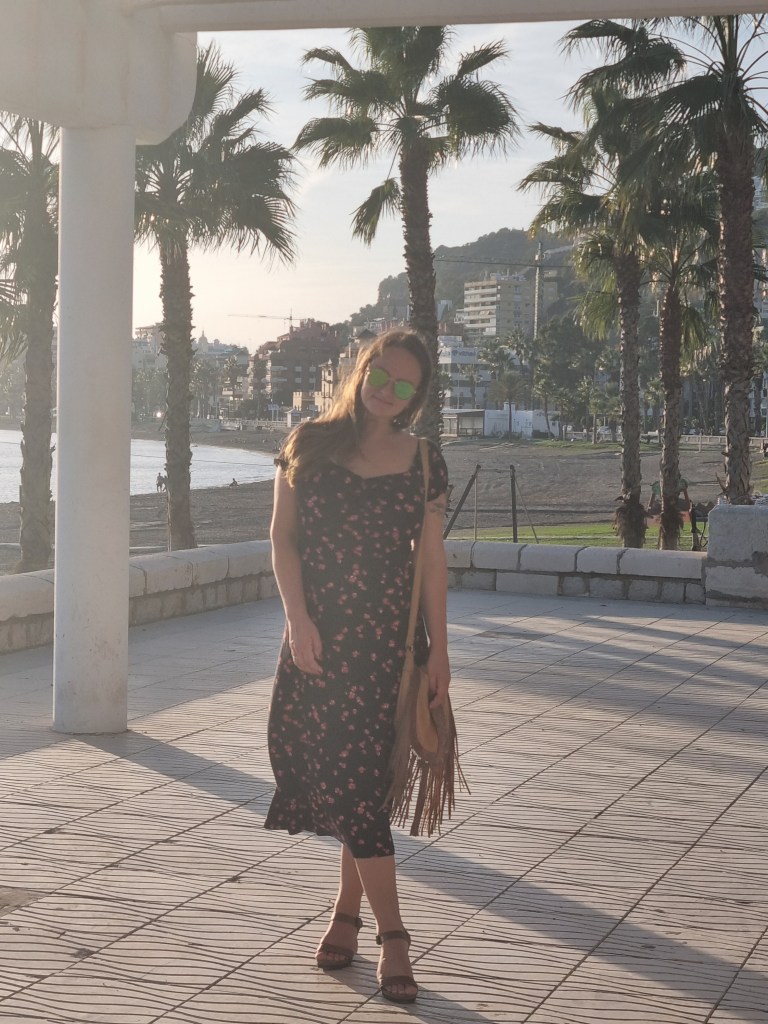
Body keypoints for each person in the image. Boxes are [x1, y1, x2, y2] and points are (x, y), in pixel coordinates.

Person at [265, 329, 450, 1005]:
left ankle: (390, 935)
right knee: (350, 785)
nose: (387, 390)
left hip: (387, 651)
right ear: (361, 368)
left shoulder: (424, 460)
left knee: (358, 786)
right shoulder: (307, 443)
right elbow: (282, 540)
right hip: (319, 644)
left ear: (416, 396)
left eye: (405, 385)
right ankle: (349, 914)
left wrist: (440, 650)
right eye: (381, 374)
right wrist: (298, 619)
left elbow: (431, 561)